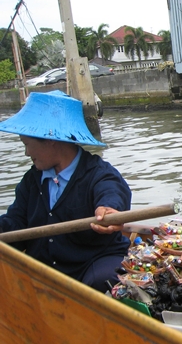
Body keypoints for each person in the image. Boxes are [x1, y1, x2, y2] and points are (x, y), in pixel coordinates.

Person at [0, 90, 131, 293]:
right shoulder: (32, 180)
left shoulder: (98, 173)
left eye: (27, 144)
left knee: (104, 280)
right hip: (45, 269)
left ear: (50, 138)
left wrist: (109, 209)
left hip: (90, 264)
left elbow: (112, 193)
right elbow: (16, 223)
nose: (26, 153)